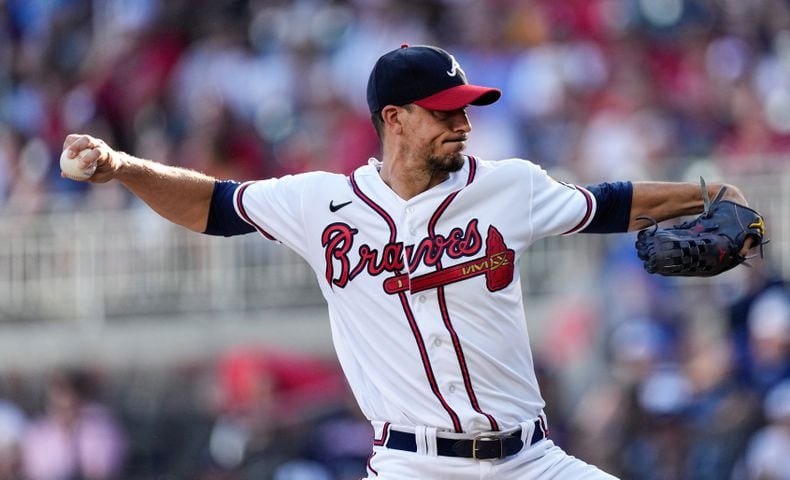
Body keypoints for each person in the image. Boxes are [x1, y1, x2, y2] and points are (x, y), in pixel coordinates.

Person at [61, 44, 761, 479]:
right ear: (395, 119)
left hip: (529, 460)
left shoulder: (506, 186)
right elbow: (212, 205)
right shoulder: (322, 204)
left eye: (466, 107)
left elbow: (608, 202)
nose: (463, 120)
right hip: (410, 464)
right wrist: (122, 166)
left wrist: (705, 194)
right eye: (445, 110)